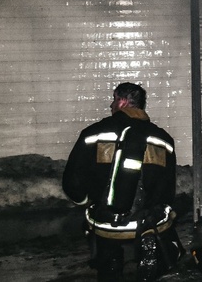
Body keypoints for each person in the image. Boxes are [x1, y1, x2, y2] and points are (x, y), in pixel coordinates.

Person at [63, 82, 182, 282]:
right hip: (148, 223)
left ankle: (110, 266)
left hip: (105, 223)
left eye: (114, 99)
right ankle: (150, 260)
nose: (111, 105)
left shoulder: (93, 134)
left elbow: (72, 182)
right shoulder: (164, 140)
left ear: (123, 101)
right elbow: (167, 189)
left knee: (108, 263)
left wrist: (87, 203)